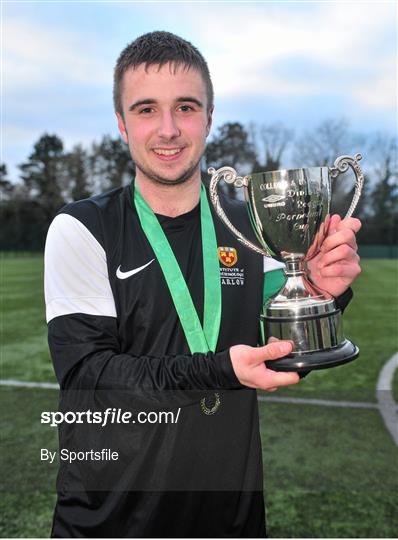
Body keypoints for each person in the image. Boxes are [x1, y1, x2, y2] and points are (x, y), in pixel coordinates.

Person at [44, 31, 361, 537]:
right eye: (147, 109)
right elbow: (89, 381)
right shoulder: (83, 227)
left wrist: (324, 290)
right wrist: (218, 370)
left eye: (185, 107)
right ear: (122, 126)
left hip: (229, 520)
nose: (168, 129)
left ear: (208, 119)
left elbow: (282, 352)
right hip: (109, 522)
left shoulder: (249, 223)